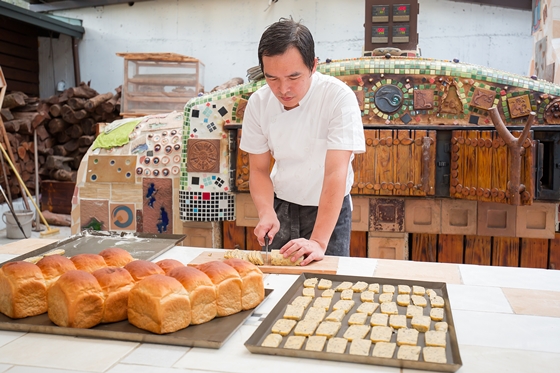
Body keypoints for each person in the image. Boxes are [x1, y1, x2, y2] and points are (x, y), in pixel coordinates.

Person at [239, 18, 365, 266]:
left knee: (326, 290)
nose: (283, 89)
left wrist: (318, 242)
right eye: (272, 78)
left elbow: (335, 172)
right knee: (277, 287)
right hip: (281, 207)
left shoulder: (338, 98)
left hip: (328, 211)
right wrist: (266, 212)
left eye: (293, 76)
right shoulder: (259, 103)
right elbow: (258, 169)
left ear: (313, 65)